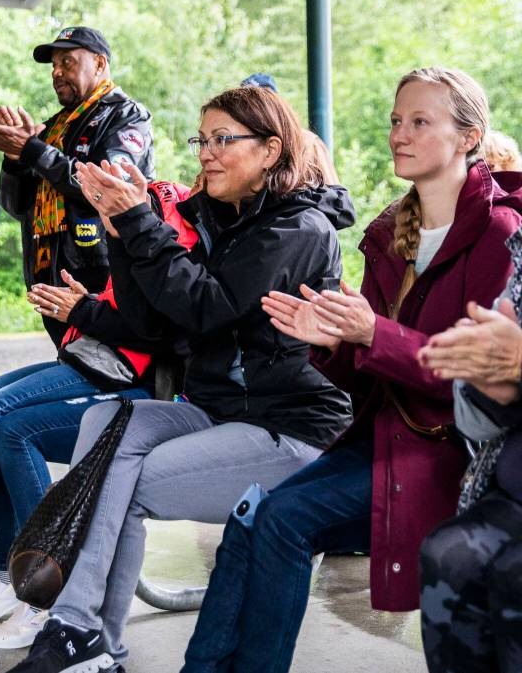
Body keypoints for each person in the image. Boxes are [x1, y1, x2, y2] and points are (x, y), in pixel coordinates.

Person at [180, 67, 522, 673]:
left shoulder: (500, 233)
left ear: (469, 137)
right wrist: (330, 344)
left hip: (456, 450)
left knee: (282, 520)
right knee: (250, 518)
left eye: (420, 121)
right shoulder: (390, 233)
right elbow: (371, 379)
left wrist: (371, 334)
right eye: (395, 120)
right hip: (385, 436)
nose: (399, 133)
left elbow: (474, 383)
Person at [7, 85, 355, 673]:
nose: (206, 154)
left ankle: (85, 637)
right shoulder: (221, 221)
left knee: (125, 484)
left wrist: (139, 222)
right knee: (104, 419)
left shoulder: (299, 228)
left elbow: (207, 306)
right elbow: (152, 325)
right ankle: (79, 632)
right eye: (202, 140)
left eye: (223, 140)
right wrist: (120, 237)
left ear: (271, 151)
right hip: (223, 411)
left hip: (290, 428)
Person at [0, 179, 195, 650]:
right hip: (98, 360)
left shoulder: (174, 241)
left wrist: (85, 312)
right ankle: (6, 573)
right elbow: (129, 313)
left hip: (134, 387)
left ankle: (45, 586)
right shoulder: (136, 238)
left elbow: (157, 334)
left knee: (3, 418)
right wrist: (86, 306)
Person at [0, 26, 155, 344]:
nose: (57, 73)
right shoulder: (51, 128)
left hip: (106, 278)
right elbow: (17, 207)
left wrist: (32, 150)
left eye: (68, 62)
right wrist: (15, 157)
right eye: (54, 66)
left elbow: (106, 184)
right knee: (72, 364)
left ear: (100, 64)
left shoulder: (127, 116)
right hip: (50, 274)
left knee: (101, 372)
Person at [416, 254, 522, 672]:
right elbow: (470, 414)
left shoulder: (496, 228)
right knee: (448, 555)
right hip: (504, 480)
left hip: (423, 443)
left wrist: (376, 336)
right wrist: (489, 386)